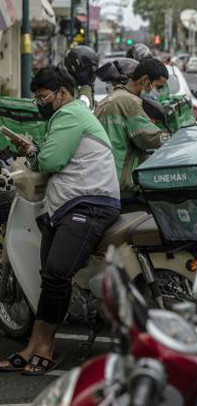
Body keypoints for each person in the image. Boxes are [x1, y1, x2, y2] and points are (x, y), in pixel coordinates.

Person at [0, 65, 120, 375]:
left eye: (42, 97)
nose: (39, 102)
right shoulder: (65, 116)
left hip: (91, 203)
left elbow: (52, 159)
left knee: (55, 273)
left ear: (62, 93)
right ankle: (33, 347)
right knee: (49, 278)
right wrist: (34, 150)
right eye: (36, 97)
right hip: (68, 204)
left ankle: (46, 348)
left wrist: (33, 152)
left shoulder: (69, 115)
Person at [95, 57, 169, 194]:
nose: (158, 92)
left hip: (102, 178)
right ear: (145, 80)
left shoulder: (111, 98)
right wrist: (173, 137)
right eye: (158, 87)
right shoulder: (129, 101)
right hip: (120, 184)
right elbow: (149, 138)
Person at [64, 45, 99, 110]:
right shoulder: (67, 93)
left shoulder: (86, 89)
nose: (92, 72)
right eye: (87, 69)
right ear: (73, 68)